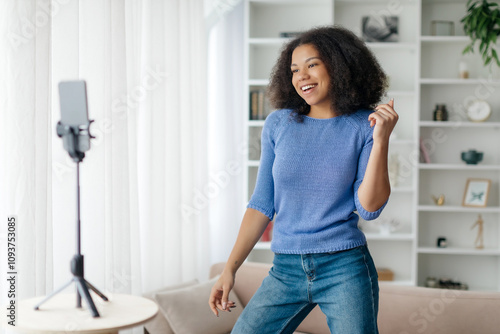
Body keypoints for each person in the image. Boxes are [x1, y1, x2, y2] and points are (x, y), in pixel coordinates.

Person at [209, 25, 398, 334]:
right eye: (295, 69)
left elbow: (369, 208)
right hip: (286, 268)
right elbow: (261, 204)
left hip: (344, 267)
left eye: (312, 65)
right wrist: (229, 269)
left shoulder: (364, 126)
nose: (302, 76)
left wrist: (381, 141)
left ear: (339, 66)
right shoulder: (278, 124)